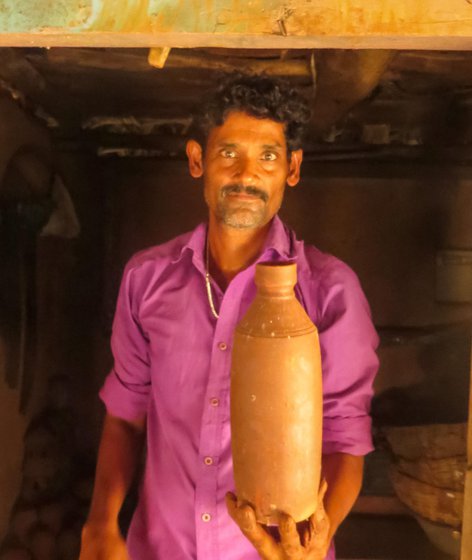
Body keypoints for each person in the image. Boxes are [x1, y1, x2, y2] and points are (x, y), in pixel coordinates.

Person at [79, 74, 379, 560]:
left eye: (268, 156)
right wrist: (100, 521)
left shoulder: (329, 292)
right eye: (228, 153)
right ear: (198, 160)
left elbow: (344, 439)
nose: (247, 175)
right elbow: (126, 417)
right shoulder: (147, 279)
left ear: (292, 168)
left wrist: (311, 542)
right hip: (159, 550)